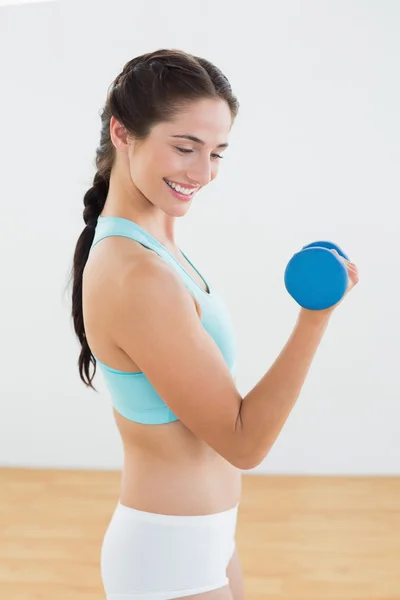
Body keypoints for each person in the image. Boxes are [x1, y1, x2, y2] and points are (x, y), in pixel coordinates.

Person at [68, 49, 359, 600]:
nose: (202, 173)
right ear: (123, 131)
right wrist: (315, 317)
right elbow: (243, 442)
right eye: (185, 147)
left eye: (217, 152)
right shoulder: (136, 274)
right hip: (167, 553)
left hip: (207, 537)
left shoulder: (157, 245)